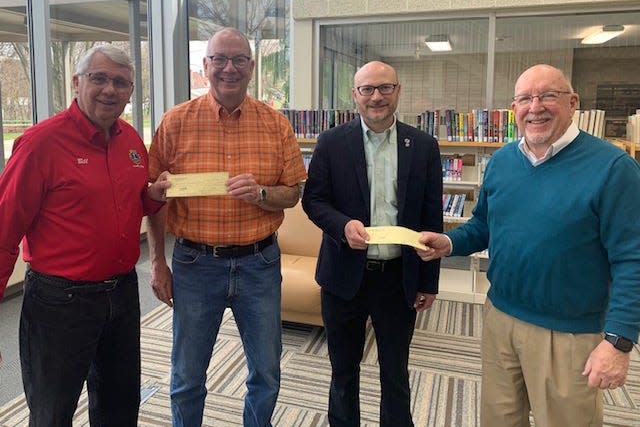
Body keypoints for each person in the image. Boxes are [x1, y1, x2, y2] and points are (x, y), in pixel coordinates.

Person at [417, 64, 640, 427]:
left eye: (548, 95)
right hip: (500, 318)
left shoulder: (614, 168)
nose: (535, 107)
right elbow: (484, 226)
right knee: (499, 419)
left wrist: (618, 343)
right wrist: (448, 242)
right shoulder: (504, 160)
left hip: (568, 332)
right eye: (525, 98)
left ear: (573, 103)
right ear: (514, 109)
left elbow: (633, 258)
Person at [0, 44, 170, 426]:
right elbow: (3, 229)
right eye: (99, 78)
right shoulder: (40, 144)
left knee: (119, 407)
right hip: (60, 304)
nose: (110, 89)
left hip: (123, 294)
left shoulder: (130, 141)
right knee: (52, 412)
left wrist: (151, 197)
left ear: (130, 93)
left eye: (121, 83)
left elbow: (129, 202)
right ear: (77, 83)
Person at [146, 27, 307, 427]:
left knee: (266, 372)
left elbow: (293, 193)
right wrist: (156, 263)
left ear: (252, 68)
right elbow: (152, 198)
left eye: (238, 60)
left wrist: (263, 195)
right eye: (219, 59)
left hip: (260, 264)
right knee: (187, 375)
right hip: (195, 264)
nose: (228, 68)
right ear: (205, 67)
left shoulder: (276, 124)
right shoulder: (175, 122)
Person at [301, 61, 443, 427]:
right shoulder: (331, 142)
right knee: (343, 372)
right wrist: (342, 225)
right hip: (343, 277)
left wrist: (428, 281)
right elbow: (313, 201)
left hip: (398, 278)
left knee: (395, 372)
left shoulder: (424, 146)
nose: (376, 97)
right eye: (367, 89)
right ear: (355, 95)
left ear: (398, 91)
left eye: (384, 88)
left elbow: (432, 217)